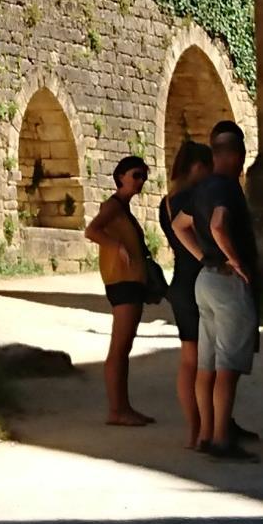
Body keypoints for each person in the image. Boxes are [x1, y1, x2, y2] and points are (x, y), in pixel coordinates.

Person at [172, 127, 259, 461]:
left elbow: (181, 225)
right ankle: (223, 438)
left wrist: (204, 257)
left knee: (206, 364)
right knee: (228, 365)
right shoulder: (227, 188)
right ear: (237, 155)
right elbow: (219, 224)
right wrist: (234, 260)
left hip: (205, 281)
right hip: (226, 283)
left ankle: (207, 433)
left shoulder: (202, 187)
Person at [86, 156, 155, 427]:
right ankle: (117, 410)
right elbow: (91, 231)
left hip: (130, 282)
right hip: (122, 283)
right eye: (136, 175)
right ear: (121, 176)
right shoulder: (113, 206)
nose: (141, 181)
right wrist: (116, 246)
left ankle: (123, 407)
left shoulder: (122, 208)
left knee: (123, 348)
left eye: (144, 177)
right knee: (119, 349)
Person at [159, 140, 212, 447]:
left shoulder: (167, 201)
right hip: (198, 278)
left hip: (179, 280)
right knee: (206, 360)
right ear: (197, 167)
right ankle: (208, 427)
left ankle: (193, 429)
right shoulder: (195, 198)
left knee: (188, 359)